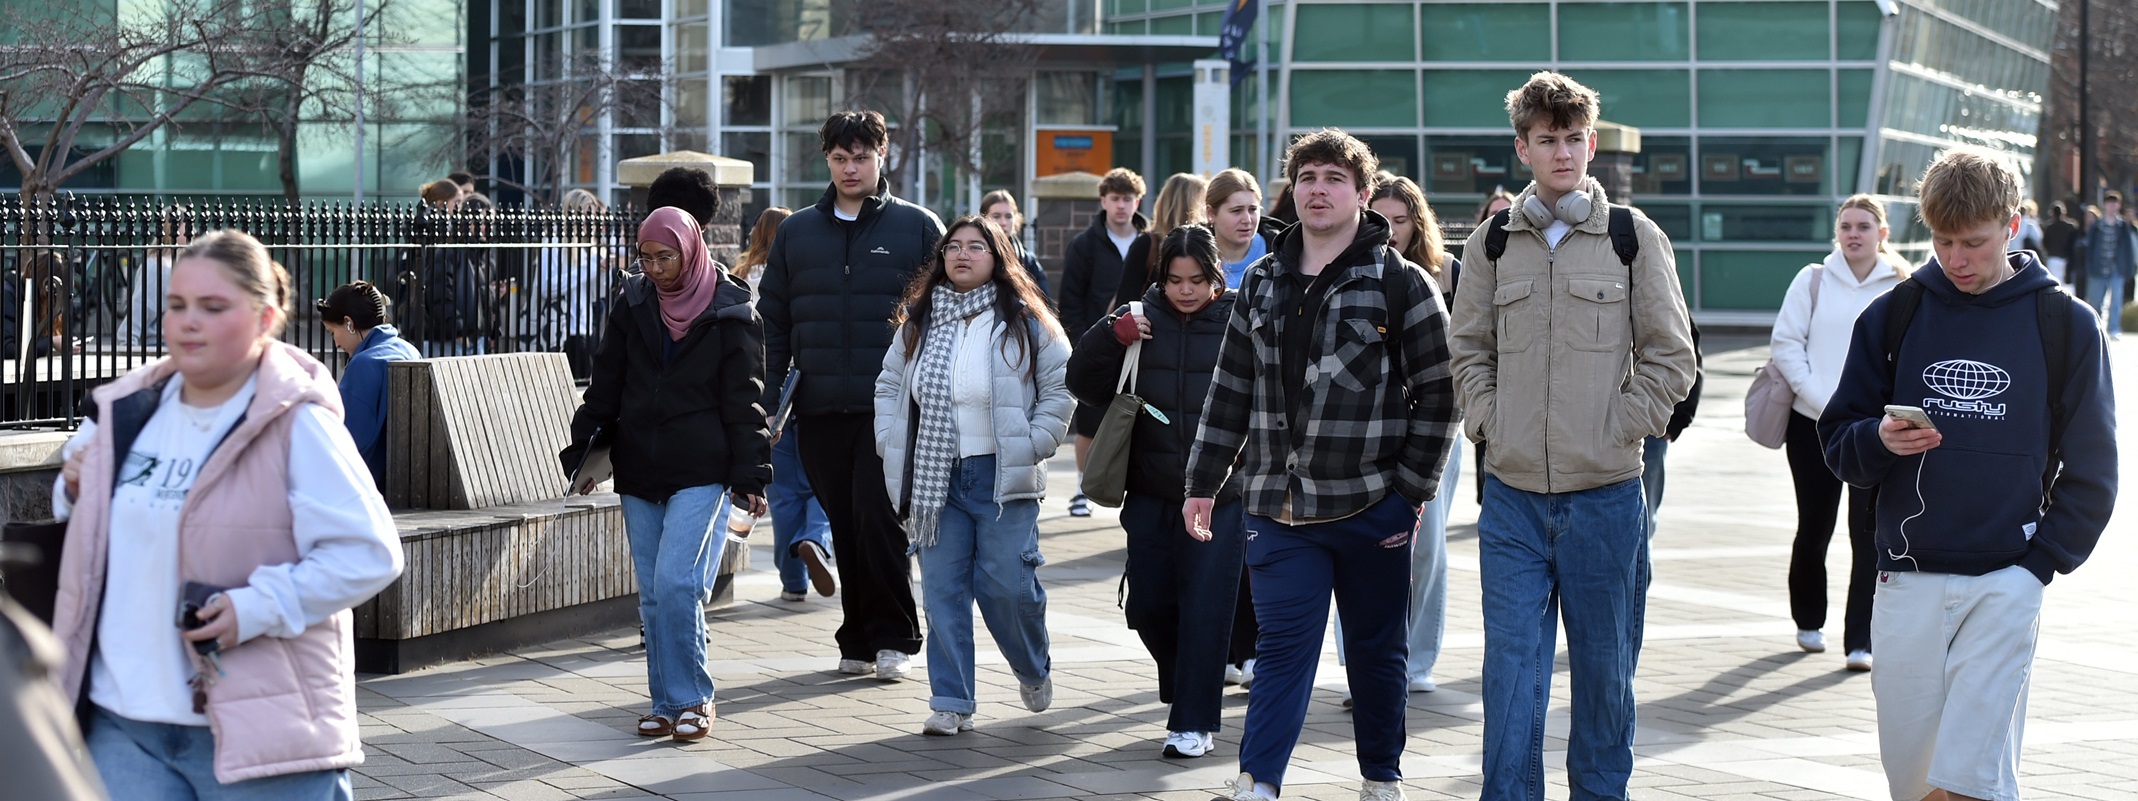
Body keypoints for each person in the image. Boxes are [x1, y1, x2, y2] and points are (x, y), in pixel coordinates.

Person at [48, 229, 405, 798]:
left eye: (214, 308)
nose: (189, 322)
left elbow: (370, 552)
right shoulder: (125, 408)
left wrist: (260, 606)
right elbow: (80, 518)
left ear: (265, 319)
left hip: (260, 735)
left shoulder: (298, 422)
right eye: (177, 305)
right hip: (120, 720)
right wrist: (73, 491)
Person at [1821, 147, 2117, 801]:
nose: (1957, 259)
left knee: (1970, 780)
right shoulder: (1893, 315)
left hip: (2006, 582)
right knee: (1916, 782)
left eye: (1974, 243)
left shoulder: (2065, 324)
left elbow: (2095, 466)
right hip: (1905, 580)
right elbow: (1839, 445)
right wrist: (1879, 438)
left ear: (2012, 228)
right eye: (1944, 241)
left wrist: (2039, 564)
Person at [1185, 129, 1458, 801]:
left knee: (1374, 651)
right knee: (1283, 648)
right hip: (1277, 507)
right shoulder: (1263, 282)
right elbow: (1231, 387)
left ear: (1363, 195)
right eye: (1307, 176)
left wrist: (1409, 494)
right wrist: (1202, 482)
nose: (1318, 188)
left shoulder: (1402, 284)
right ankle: (1259, 781)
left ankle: (1380, 774)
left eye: (1334, 177)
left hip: (1373, 505)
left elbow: (1441, 394)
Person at [1449, 72, 1697, 801]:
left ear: (1590, 142)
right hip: (1513, 502)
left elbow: (1671, 355)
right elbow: (1468, 350)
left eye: (1574, 138)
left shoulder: (1633, 238)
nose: (1563, 152)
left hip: (1608, 499)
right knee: (1510, 675)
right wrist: (1491, 422)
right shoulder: (1491, 243)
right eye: (1547, 139)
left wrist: (1621, 429)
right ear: (1523, 146)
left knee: (1603, 674)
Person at [562, 207, 771, 742]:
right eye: (646, 258)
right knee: (654, 593)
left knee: (678, 584)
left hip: (702, 468)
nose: (654, 269)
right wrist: (583, 456)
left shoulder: (733, 312)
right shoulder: (632, 305)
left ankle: (692, 697)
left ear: (692, 249)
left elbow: (745, 401)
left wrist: (751, 476)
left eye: (665, 257)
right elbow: (605, 385)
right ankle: (665, 701)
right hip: (639, 468)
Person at [759, 110, 940, 680]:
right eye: (840, 158)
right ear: (828, 161)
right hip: (817, 408)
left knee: (879, 519)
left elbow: (943, 313)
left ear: (881, 156)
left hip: (890, 406)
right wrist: (767, 398)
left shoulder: (915, 227)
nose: (851, 167)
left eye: (861, 156)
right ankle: (857, 636)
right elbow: (774, 321)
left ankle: (895, 638)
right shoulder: (796, 232)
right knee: (844, 522)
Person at [873, 216, 1069, 736]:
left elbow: (1060, 388)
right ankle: (951, 699)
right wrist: (889, 441)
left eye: (976, 247)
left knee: (1006, 587)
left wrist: (1034, 444)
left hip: (1002, 475)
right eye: (952, 248)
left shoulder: (1027, 320)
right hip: (937, 480)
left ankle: (1032, 665)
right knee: (942, 592)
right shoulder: (919, 321)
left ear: (998, 257)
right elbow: (890, 386)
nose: (962, 255)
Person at [1065, 224, 1243, 759]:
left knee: (1206, 609)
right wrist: (1110, 334)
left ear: (1215, 276)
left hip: (1222, 495)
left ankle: (1192, 720)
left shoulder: (1241, 319)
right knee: (1148, 606)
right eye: (1174, 280)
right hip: (1150, 491)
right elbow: (1081, 381)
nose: (1185, 290)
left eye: (1197, 280)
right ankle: (1183, 678)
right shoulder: (1139, 319)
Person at [1769, 194, 1912, 673]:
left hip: (1875, 429)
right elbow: (1786, 343)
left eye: (1864, 226)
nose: (1854, 233)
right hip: (1812, 425)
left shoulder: (1902, 284)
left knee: (1867, 534)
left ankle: (1860, 639)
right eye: (1846, 225)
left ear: (1882, 234)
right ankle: (1809, 619)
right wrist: (1821, 401)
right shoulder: (1811, 279)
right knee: (1815, 525)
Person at [735, 206, 837, 602]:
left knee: (783, 496)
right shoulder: (807, 278)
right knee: (822, 484)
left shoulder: (739, 280)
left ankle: (792, 580)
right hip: (809, 390)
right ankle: (815, 539)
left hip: (765, 397)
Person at [1059, 167, 1148, 518]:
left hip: (1142, 343)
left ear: (1137, 201)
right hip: (1098, 343)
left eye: (1127, 199)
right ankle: (1083, 488)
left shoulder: (1150, 240)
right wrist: (1084, 342)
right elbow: (1072, 298)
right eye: (1115, 199)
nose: (1121, 206)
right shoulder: (1085, 244)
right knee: (1091, 420)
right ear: (1103, 201)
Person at [316, 280, 421, 486]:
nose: (336, 343)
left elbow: (349, 440)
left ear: (349, 323)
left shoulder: (364, 365)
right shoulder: (409, 350)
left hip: (372, 483)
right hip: (408, 475)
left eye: (332, 332)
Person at [1112, 172, 1210, 310]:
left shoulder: (1206, 242)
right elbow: (1125, 303)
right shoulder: (1146, 244)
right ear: (1191, 206)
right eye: (1204, 202)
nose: (1207, 211)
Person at [119, 206, 190, 348]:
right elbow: (139, 311)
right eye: (187, 226)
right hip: (158, 346)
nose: (192, 231)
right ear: (172, 228)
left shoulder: (182, 262)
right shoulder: (156, 267)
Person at [2078, 191, 2136, 339]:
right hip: (2098, 268)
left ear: (2119, 205)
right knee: (2096, 301)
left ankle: (2114, 328)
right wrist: (2089, 267)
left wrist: (2129, 270)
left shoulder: (2122, 226)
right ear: (2104, 205)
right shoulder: (2097, 225)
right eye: (2109, 203)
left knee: (2116, 301)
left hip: (2117, 269)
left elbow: (2129, 249)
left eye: (2115, 203)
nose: (2112, 206)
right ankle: (2095, 329)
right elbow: (2089, 248)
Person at [1205, 169, 1269, 291]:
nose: (1247, 220)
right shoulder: (1191, 253)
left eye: (1252, 210)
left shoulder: (1281, 252)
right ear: (1211, 213)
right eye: (1236, 211)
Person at [980, 190, 1050, 298]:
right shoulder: (974, 255)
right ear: (984, 219)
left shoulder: (1027, 260)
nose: (1003, 223)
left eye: (1008, 216)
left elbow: (1044, 302)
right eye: (996, 216)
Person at [2042, 201, 2078, 287]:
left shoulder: (2048, 227)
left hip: (2053, 258)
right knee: (2066, 285)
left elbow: (2045, 243)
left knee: (2054, 284)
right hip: (2066, 258)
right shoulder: (2071, 227)